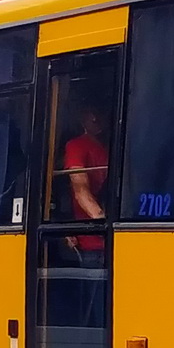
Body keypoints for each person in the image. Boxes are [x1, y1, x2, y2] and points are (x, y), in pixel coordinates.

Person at [64, 106, 108, 259]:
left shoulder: (109, 148)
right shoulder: (76, 146)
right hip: (92, 242)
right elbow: (80, 190)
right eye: (92, 115)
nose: (96, 119)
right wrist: (105, 225)